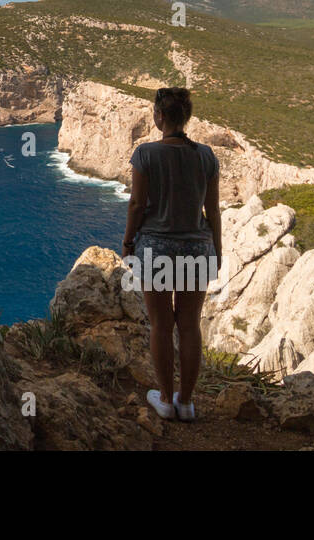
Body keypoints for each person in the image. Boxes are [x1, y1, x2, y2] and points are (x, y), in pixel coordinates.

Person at [121, 86, 222, 422]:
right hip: (197, 249)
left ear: (160, 116)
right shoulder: (206, 156)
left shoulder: (146, 154)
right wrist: (217, 250)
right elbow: (213, 210)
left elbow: (136, 204)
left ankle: (165, 399)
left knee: (162, 326)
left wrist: (127, 242)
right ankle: (188, 402)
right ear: (186, 117)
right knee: (190, 325)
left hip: (157, 249)